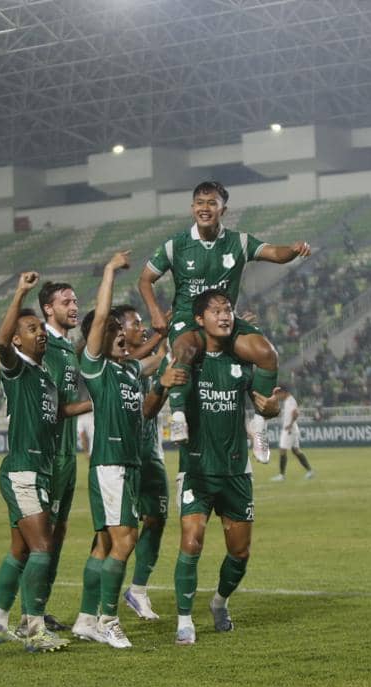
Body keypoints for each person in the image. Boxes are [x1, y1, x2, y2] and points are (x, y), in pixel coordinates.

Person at [138, 180, 309, 462]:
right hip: (188, 320)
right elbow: (145, 279)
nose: (205, 208)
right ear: (193, 207)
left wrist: (293, 250)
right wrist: (156, 312)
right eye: (200, 203)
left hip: (225, 319)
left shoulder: (238, 242)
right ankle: (178, 416)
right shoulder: (175, 245)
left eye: (212, 203)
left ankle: (260, 425)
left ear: (223, 209)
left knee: (267, 354)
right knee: (184, 349)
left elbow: (274, 254)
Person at [69, 253, 182, 648]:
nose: (121, 333)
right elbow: (99, 320)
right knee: (126, 539)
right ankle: (109, 618)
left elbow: (153, 360)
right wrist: (109, 272)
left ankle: (86, 619)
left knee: (103, 543)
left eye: (122, 329)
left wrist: (170, 336)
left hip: (129, 466)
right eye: (114, 330)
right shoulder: (96, 367)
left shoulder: (128, 369)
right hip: (111, 465)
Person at [167, 289, 281, 645]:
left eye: (228, 309)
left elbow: (267, 399)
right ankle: (184, 620)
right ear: (200, 319)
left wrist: (270, 411)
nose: (224, 315)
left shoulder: (241, 360)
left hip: (235, 471)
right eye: (216, 311)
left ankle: (219, 602)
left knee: (240, 552)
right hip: (197, 469)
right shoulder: (189, 358)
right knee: (191, 541)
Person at [0, 272, 70, 653]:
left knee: (20, 550)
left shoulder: (45, 377)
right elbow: (1, 342)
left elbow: (63, 412)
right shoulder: (16, 369)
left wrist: (104, 403)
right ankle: (35, 628)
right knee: (41, 549)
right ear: (19, 341)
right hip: (24, 470)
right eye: (32, 328)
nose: (41, 333)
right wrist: (21, 292)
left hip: (42, 471)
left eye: (41, 328)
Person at [36, 279, 90, 631]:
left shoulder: (67, 346)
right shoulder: (47, 348)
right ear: (48, 309)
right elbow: (52, 410)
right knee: (40, 537)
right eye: (66, 301)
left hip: (67, 453)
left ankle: (39, 608)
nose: (74, 306)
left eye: (75, 300)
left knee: (58, 534)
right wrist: (96, 401)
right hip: (48, 454)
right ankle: (29, 614)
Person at [117, 304, 172, 621]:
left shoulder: (147, 362)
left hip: (151, 451)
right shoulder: (118, 364)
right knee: (117, 533)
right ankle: (98, 606)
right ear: (120, 331)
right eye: (136, 323)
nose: (143, 327)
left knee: (157, 518)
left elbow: (164, 355)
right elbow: (155, 367)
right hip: (123, 457)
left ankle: (137, 590)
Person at [271, 388, 314, 481]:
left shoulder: (290, 401)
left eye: (278, 394)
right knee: (296, 450)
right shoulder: (288, 401)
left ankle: (281, 475)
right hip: (291, 429)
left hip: (289, 430)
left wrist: (290, 425)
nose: (278, 396)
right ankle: (310, 471)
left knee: (282, 450)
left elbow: (296, 413)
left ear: (283, 392)